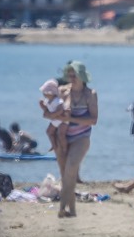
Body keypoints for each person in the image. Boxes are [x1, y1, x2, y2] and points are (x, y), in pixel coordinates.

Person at [40, 61, 98, 218]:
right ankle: (71, 211)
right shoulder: (62, 91)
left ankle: (61, 208)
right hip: (62, 137)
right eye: (69, 74)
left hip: (81, 138)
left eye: (74, 75)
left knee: (70, 170)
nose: (71, 77)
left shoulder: (90, 94)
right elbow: (48, 112)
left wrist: (71, 117)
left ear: (82, 76)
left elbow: (93, 120)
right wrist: (50, 114)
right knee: (65, 174)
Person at [39, 79, 67, 154]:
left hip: (61, 120)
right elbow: (46, 108)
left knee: (61, 134)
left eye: (46, 93)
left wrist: (52, 115)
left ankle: (65, 148)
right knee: (49, 131)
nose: (44, 94)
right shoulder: (47, 101)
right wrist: (43, 106)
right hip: (55, 120)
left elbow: (61, 110)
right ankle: (54, 145)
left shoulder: (57, 100)